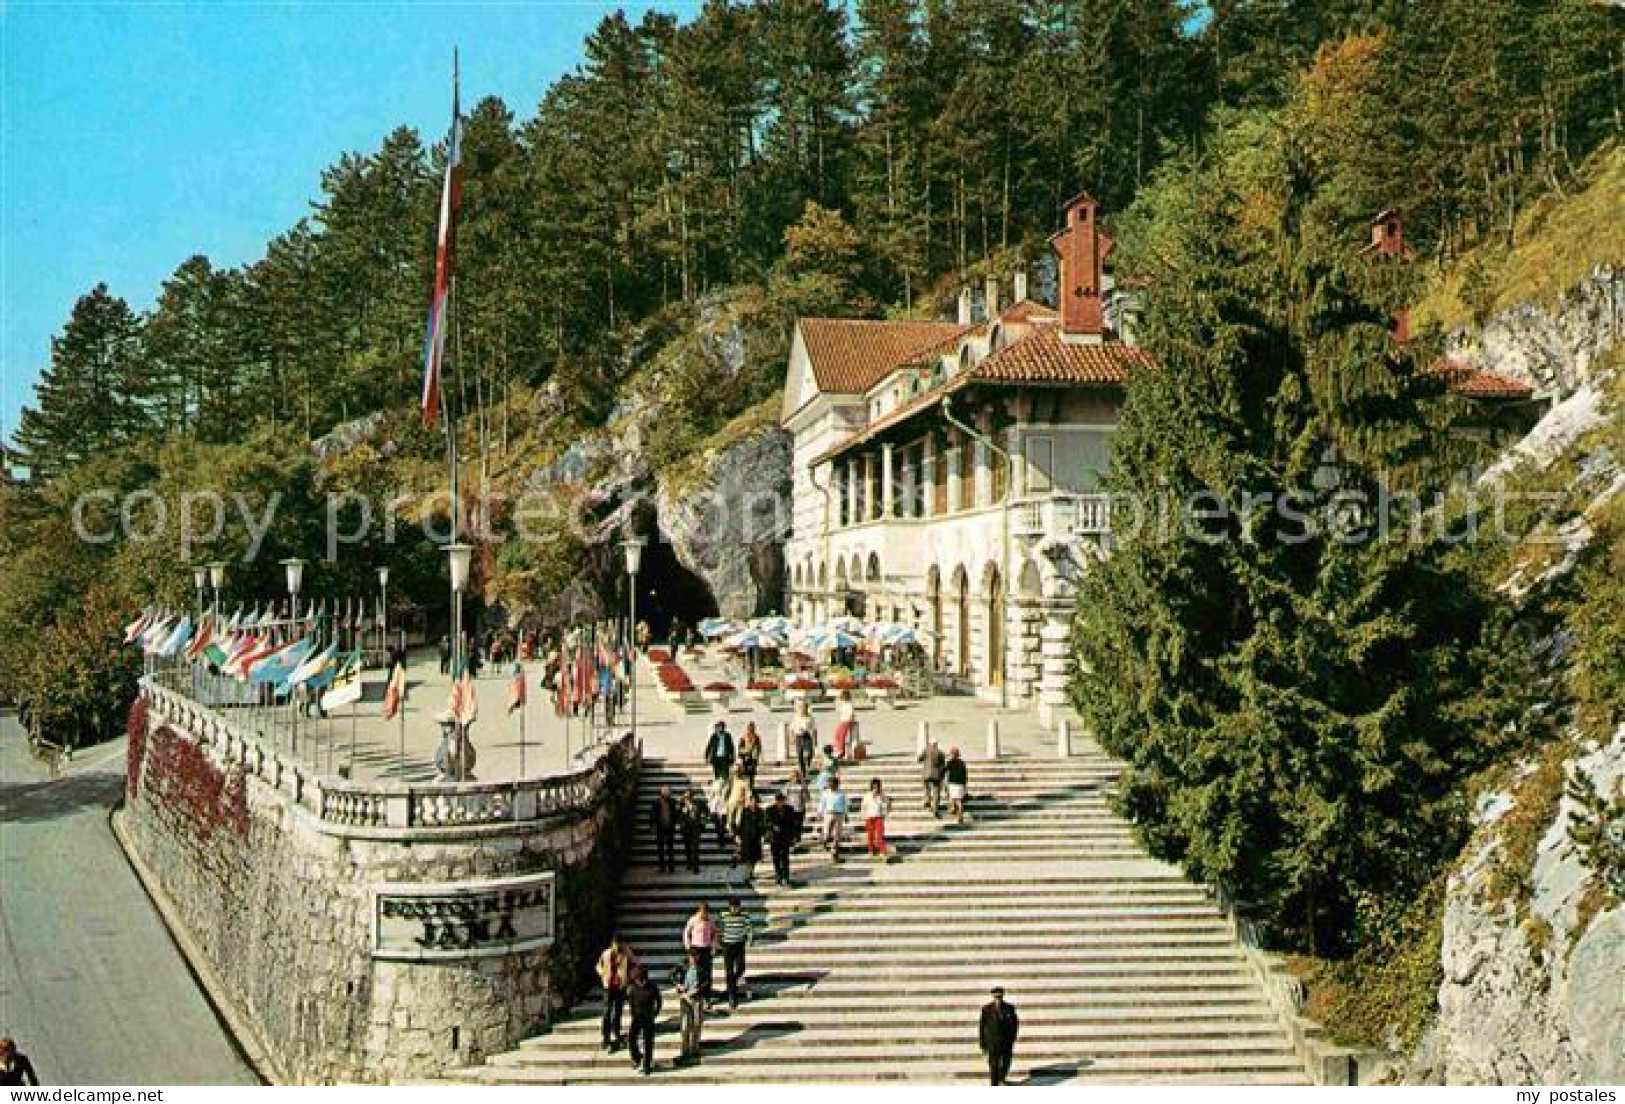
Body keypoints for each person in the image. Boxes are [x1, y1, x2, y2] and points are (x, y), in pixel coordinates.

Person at [597, 933, 638, 1053]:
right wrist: (603, 974)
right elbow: (598, 966)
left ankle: (616, 1033)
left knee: (618, 1011)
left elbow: (635, 963)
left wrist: (629, 977)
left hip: (620, 986)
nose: (618, 946)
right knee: (607, 1011)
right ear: (612, 944)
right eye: (616, 944)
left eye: (620, 944)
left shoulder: (626, 954)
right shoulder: (606, 954)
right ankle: (606, 1037)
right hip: (608, 986)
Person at [718, 897, 756, 1009]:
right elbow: (719, 928)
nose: (735, 909)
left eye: (737, 907)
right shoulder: (723, 915)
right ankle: (732, 996)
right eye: (733, 907)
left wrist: (750, 939)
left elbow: (750, 928)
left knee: (741, 967)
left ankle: (731, 984)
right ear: (729, 907)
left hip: (739, 944)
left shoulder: (745, 916)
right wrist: (719, 941)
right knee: (729, 971)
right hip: (727, 945)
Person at [626, 965, 662, 1075]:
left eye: (638, 978)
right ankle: (637, 1058)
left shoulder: (652, 987)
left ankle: (647, 1065)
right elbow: (631, 1002)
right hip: (636, 1017)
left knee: (648, 1042)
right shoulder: (632, 988)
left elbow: (659, 1000)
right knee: (631, 1039)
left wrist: (656, 1012)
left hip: (648, 1017)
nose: (637, 981)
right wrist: (632, 1014)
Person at [979, 986, 1020, 1085]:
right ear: (993, 997)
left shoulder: (1010, 1008)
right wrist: (983, 1043)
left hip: (1006, 1041)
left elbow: (1015, 1023)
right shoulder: (986, 1009)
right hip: (992, 1042)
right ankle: (994, 1084)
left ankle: (1001, 1077)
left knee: (1006, 1063)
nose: (998, 999)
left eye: (1000, 997)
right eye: (996, 997)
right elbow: (981, 1027)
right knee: (993, 1065)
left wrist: (1013, 1037)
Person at [682, 902, 718, 1005]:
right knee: (695, 972)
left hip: (706, 948)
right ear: (699, 911)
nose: (704, 914)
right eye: (702, 912)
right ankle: (694, 993)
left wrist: (713, 947)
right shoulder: (693, 920)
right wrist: (688, 947)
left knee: (707, 973)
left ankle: (707, 997)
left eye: (706, 912)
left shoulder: (710, 920)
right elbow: (686, 933)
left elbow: (714, 934)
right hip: (695, 948)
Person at [675, 948, 705, 1065]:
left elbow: (706, 981)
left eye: (695, 957)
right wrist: (679, 986)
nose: (693, 959)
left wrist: (698, 990)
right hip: (685, 998)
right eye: (691, 957)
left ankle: (695, 1048)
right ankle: (685, 1050)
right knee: (685, 1025)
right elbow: (672, 975)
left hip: (697, 997)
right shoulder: (683, 966)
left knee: (697, 1023)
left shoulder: (702, 967)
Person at [766, 790, 798, 886]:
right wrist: (773, 826)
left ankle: (786, 876)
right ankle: (778, 875)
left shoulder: (790, 809)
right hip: (774, 837)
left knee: (785, 857)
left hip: (785, 837)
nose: (780, 803)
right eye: (778, 801)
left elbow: (793, 824)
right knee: (776, 858)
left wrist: (794, 836)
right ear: (776, 801)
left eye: (782, 801)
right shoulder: (769, 810)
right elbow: (766, 822)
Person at [735, 791, 765, 882]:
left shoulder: (760, 812)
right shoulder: (745, 811)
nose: (754, 803)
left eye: (755, 801)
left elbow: (763, 825)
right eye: (752, 801)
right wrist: (738, 835)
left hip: (756, 838)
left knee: (755, 858)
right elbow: (741, 824)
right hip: (746, 837)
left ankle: (751, 873)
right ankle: (746, 875)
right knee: (747, 858)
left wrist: (762, 835)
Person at [818, 774, 849, 862]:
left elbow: (845, 804)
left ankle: (834, 852)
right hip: (829, 813)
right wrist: (819, 813)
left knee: (837, 834)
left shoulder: (841, 793)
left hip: (839, 814)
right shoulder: (825, 793)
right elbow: (822, 803)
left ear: (836, 784)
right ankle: (824, 840)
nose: (831, 785)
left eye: (832, 784)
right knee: (827, 832)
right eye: (829, 784)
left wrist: (846, 814)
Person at [650, 785, 679, 874]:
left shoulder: (673, 801)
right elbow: (652, 815)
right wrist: (652, 825)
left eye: (668, 791)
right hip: (660, 827)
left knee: (670, 848)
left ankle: (671, 867)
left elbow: (676, 813)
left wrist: (675, 823)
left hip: (670, 827)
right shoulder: (656, 802)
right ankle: (662, 867)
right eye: (665, 791)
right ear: (661, 792)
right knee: (660, 849)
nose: (666, 793)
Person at [861, 777, 892, 858]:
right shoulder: (867, 795)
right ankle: (871, 850)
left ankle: (883, 851)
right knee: (870, 835)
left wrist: (886, 812)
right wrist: (864, 815)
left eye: (877, 786)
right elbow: (864, 806)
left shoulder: (882, 795)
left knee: (880, 834)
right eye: (874, 786)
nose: (876, 788)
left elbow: (888, 804)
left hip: (879, 817)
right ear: (872, 786)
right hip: (869, 817)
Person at [919, 738, 947, 818]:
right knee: (936, 793)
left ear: (930, 744)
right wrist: (942, 774)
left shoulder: (926, 750)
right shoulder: (941, 753)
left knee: (926, 787)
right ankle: (935, 809)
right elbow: (943, 765)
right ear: (936, 744)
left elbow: (919, 759)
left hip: (926, 774)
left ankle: (927, 799)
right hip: (936, 775)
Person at [789, 700, 818, 776]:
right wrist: (792, 737)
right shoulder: (796, 717)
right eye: (801, 708)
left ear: (807, 708)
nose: (803, 709)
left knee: (810, 752)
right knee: (799, 754)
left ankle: (808, 763)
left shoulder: (810, 717)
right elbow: (791, 728)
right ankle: (803, 770)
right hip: (798, 736)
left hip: (807, 736)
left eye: (805, 707)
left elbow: (814, 729)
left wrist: (815, 740)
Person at [679, 789, 704, 872]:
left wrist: (703, 821)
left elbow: (705, 812)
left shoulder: (698, 803)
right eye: (686, 796)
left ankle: (696, 867)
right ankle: (689, 864)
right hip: (686, 829)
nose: (688, 798)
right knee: (687, 848)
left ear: (693, 796)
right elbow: (678, 815)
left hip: (695, 828)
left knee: (695, 848)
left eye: (689, 796)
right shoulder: (682, 805)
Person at [945, 746, 969, 823]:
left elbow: (944, 770)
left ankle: (952, 808)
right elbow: (965, 774)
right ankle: (960, 815)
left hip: (952, 782)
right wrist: (965, 784)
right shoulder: (962, 763)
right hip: (960, 783)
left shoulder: (950, 762)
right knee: (960, 801)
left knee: (952, 798)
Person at [832, 690, 857, 760]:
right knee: (837, 735)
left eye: (842, 696)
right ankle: (840, 750)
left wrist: (851, 722)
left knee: (841, 736)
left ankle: (841, 751)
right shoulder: (844, 704)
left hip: (846, 721)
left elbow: (851, 714)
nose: (841, 697)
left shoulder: (849, 704)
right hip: (842, 721)